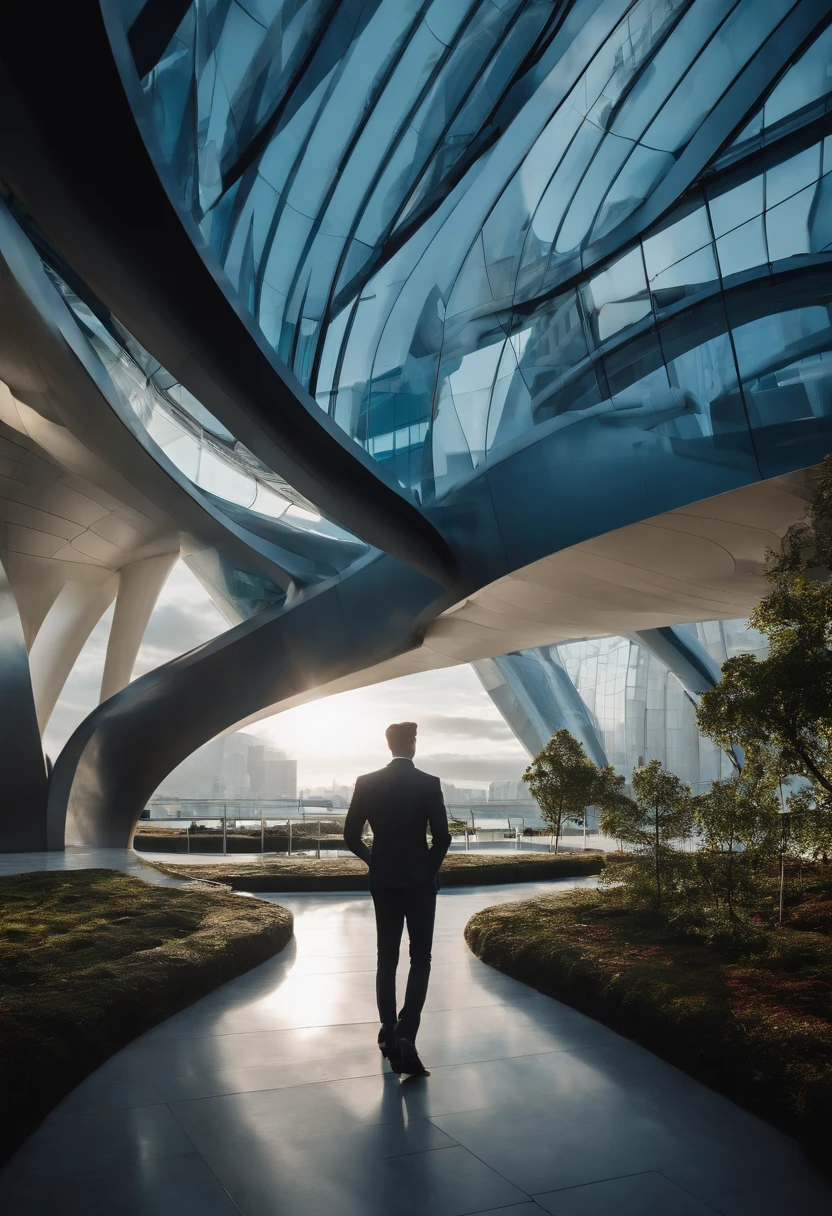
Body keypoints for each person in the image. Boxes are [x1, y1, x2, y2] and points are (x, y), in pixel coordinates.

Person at [344, 721, 451, 1076]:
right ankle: (407, 1032)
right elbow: (443, 838)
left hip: (384, 882)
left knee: (385, 958)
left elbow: (350, 836)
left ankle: (388, 1031)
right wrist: (426, 871)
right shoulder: (428, 783)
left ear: (389, 744)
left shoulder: (366, 783)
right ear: (414, 744)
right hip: (420, 884)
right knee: (421, 957)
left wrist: (375, 862)